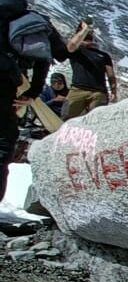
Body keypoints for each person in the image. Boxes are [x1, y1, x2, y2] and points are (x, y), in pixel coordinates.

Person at [0, 2, 67, 200]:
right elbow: (52, 55)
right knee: (2, 145)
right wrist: (34, 91)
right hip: (4, 86)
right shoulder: (30, 19)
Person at [62, 20, 116, 120]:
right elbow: (71, 46)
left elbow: (111, 76)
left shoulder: (104, 55)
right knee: (66, 118)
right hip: (77, 89)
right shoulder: (76, 51)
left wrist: (114, 92)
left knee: (95, 121)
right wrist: (84, 30)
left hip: (99, 93)